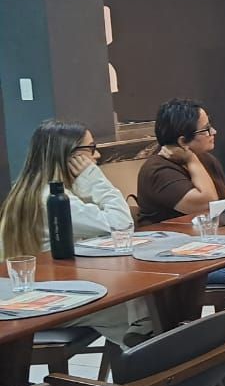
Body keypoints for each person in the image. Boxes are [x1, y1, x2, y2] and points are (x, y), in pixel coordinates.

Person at [0, 119, 151, 344]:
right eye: (91, 149)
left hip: (32, 296)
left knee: (139, 302)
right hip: (52, 302)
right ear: (70, 155)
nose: (96, 156)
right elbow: (121, 225)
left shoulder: (26, 193)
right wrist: (96, 180)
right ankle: (150, 363)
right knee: (142, 305)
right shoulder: (54, 201)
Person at [134, 99, 225, 309]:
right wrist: (191, 161)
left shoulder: (207, 160)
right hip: (174, 257)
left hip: (209, 248)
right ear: (183, 141)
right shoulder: (158, 170)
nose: (214, 132)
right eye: (206, 129)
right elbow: (205, 203)